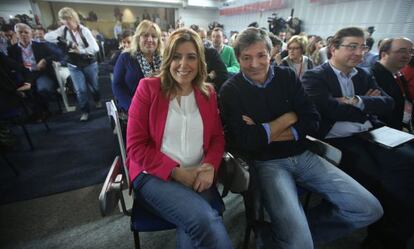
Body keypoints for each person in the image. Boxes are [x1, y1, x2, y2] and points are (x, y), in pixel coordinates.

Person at [219, 27, 382, 249]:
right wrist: (288, 117)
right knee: (300, 243)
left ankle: (278, 237)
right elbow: (244, 141)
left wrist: (262, 130)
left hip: (304, 154)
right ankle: (293, 237)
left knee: (369, 208)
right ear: (237, 58)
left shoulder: (287, 77)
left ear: (272, 53)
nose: (255, 64)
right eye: (246, 58)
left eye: (261, 56)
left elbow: (312, 121)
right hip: (267, 164)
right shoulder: (230, 89)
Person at [301, 27, 414, 249]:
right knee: (392, 179)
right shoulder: (315, 76)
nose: (359, 52)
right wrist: (366, 104)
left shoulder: (363, 74)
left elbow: (388, 104)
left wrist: (353, 100)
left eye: (362, 47)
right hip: (339, 140)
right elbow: (327, 109)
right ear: (333, 48)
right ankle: (385, 238)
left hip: (373, 133)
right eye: (351, 46)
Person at [126, 27, 232, 249]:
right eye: (176, 57)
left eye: (191, 57)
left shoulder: (208, 93)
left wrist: (210, 166)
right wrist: (175, 171)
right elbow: (135, 147)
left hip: (198, 174)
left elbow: (217, 137)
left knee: (195, 227)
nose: (183, 65)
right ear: (168, 59)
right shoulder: (148, 88)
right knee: (205, 220)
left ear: (200, 61)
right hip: (155, 177)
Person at [45, 7, 101, 121]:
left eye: (68, 21)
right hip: (74, 65)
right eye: (64, 22)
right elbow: (47, 37)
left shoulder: (84, 31)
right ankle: (85, 111)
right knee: (80, 90)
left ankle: (97, 100)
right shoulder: (63, 30)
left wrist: (80, 50)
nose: (67, 25)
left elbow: (95, 48)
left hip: (89, 63)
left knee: (94, 87)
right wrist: (67, 42)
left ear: (74, 19)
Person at [112, 20, 162, 112]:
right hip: (135, 107)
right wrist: (132, 106)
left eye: (154, 36)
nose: (150, 39)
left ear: (158, 40)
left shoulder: (164, 58)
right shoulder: (126, 57)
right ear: (138, 38)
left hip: (160, 107)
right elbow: (117, 85)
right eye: (145, 35)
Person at [8, 23, 59, 112]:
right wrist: (29, 67)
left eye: (26, 32)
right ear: (16, 34)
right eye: (20, 32)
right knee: (20, 91)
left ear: (31, 33)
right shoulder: (12, 49)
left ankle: (44, 111)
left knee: (43, 89)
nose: (23, 34)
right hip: (25, 75)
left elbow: (55, 55)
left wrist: (44, 60)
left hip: (41, 73)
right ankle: (39, 112)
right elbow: (14, 65)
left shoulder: (41, 45)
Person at [371, 37, 413, 131]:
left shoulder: (398, 74)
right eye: (401, 51)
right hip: (382, 133)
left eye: (410, 51)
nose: (407, 56)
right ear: (384, 54)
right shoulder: (372, 76)